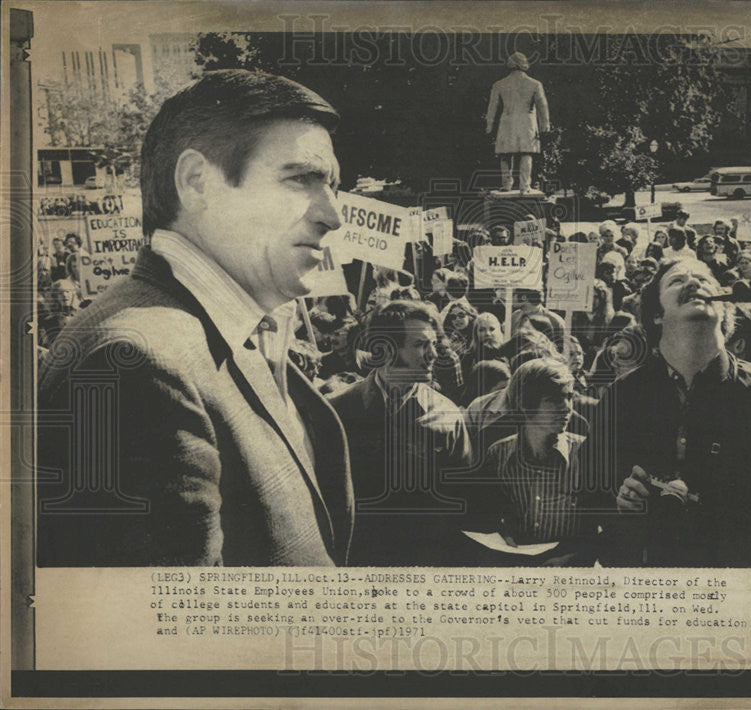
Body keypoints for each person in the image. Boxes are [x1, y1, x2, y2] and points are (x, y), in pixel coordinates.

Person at [36, 69, 353, 566]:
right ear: (197, 182)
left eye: (331, 184)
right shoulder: (135, 365)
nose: (332, 215)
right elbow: (176, 637)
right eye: (301, 178)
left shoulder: (215, 334)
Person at [588, 257, 751, 567]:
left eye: (704, 280)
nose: (693, 282)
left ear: (724, 308)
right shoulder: (624, 395)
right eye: (676, 281)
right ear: (657, 315)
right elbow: (589, 496)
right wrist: (620, 503)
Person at [329, 300, 474, 566]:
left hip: (424, 565)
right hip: (358, 566)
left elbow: (462, 499)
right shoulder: (338, 410)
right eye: (420, 345)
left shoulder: (447, 415)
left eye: (434, 345)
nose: (433, 355)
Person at [473, 358, 598, 565]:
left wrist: (575, 557)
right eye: (555, 399)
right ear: (525, 403)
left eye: (569, 397)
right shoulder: (498, 455)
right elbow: (488, 518)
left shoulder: (586, 455)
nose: (567, 407)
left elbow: (603, 530)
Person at [486, 52, 550, 193]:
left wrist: (489, 124)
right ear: (524, 64)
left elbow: (492, 106)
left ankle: (506, 184)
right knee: (526, 153)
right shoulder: (535, 84)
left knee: (505, 154)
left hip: (507, 121)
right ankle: (525, 185)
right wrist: (545, 124)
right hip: (527, 122)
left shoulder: (499, 84)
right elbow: (542, 106)